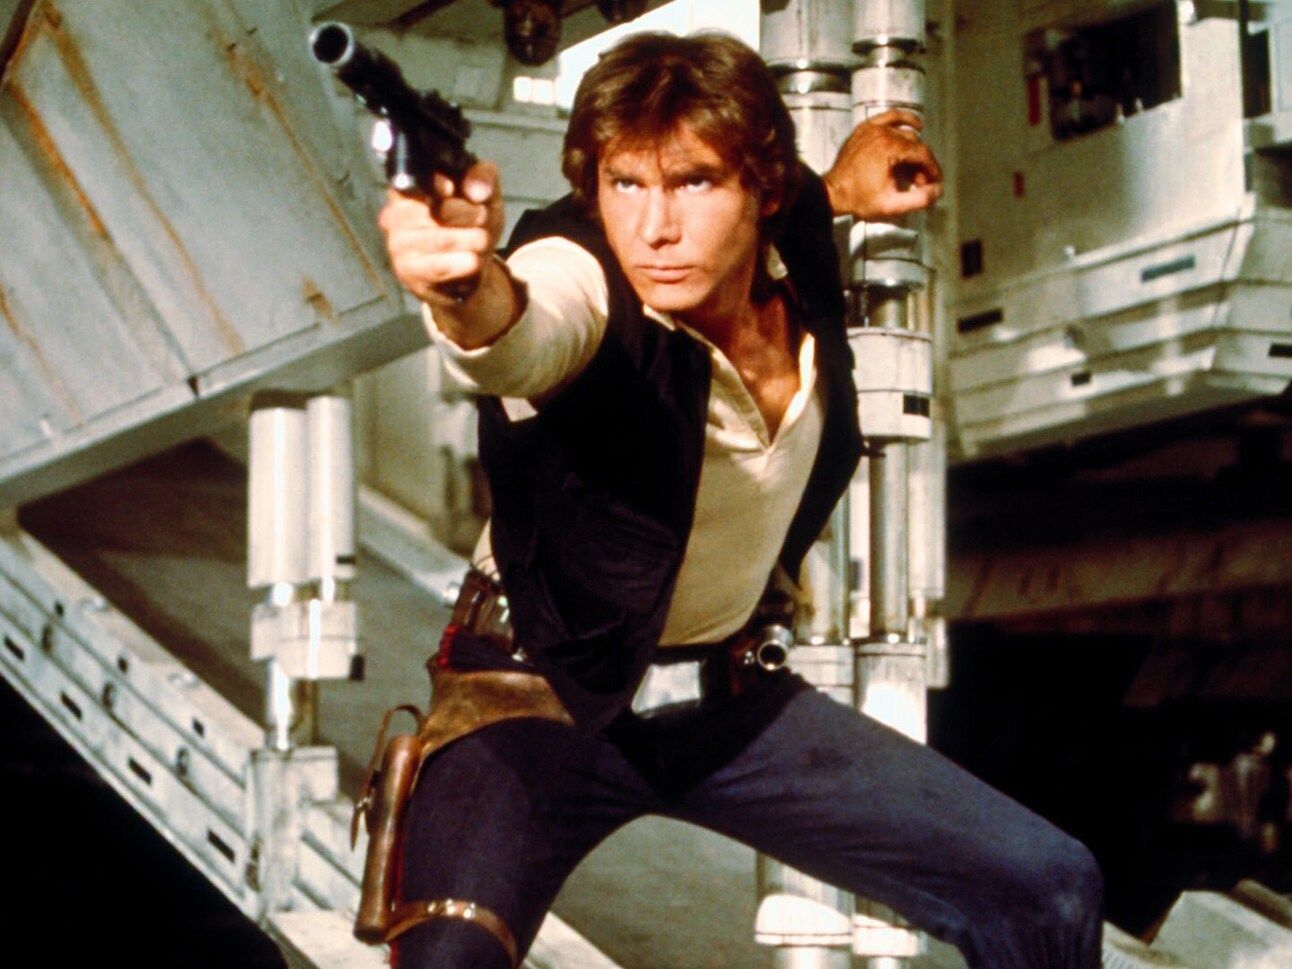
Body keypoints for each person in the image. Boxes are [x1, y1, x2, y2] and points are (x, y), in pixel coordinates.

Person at [378, 31, 1103, 969]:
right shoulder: (583, 275)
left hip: (723, 702)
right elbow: (523, 328)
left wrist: (846, 185)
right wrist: (461, 287)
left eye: (694, 182)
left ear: (761, 191)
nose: (655, 228)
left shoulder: (787, 245)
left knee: (1048, 884)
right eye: (625, 184)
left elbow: (804, 202)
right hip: (532, 692)